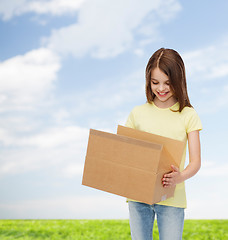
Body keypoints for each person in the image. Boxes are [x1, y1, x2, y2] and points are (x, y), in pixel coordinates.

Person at [125, 48, 202, 240]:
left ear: (179, 81)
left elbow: (196, 162)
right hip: (138, 196)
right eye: (155, 82)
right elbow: (125, 151)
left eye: (168, 83)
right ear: (148, 81)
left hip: (172, 197)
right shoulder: (137, 113)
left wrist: (179, 177)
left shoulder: (188, 115)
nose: (161, 89)